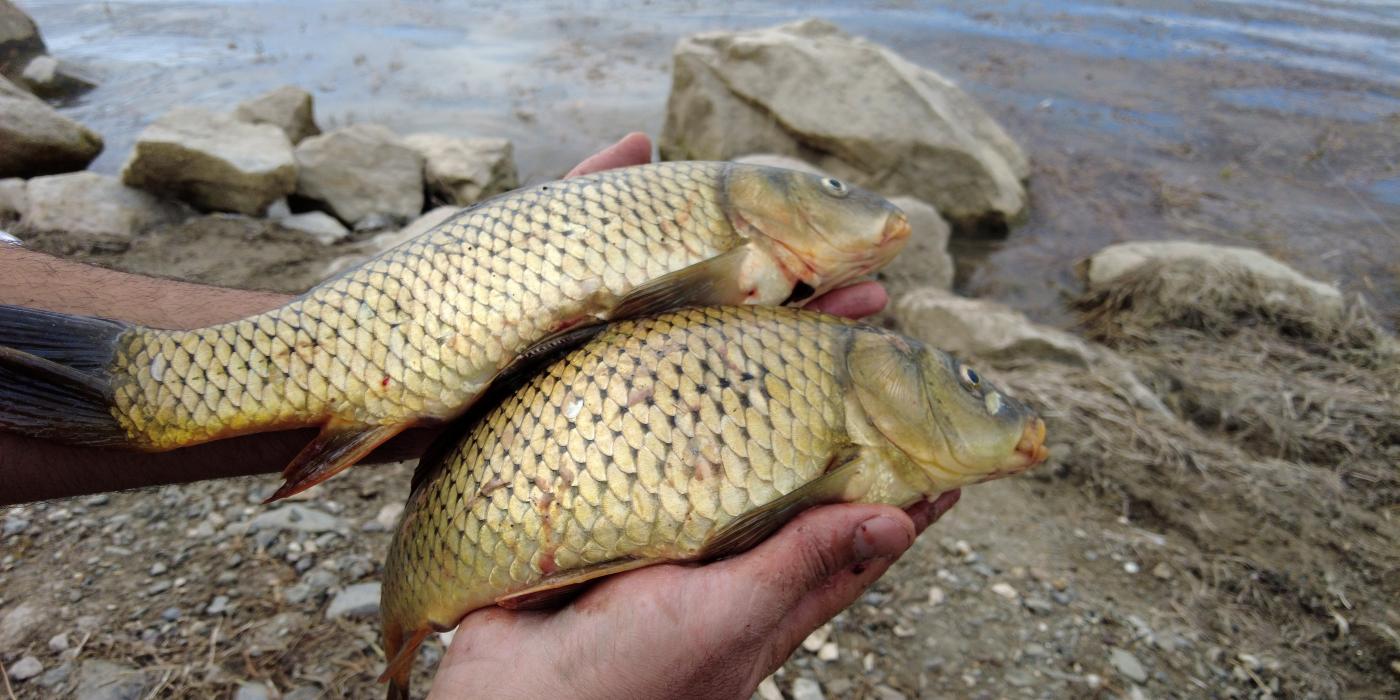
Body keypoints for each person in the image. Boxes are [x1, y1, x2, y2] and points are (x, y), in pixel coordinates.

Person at [0, 132, 958, 699]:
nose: (864, 210)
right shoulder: (715, 217)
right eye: (833, 189)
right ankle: (154, 386)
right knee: (186, 382)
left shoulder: (737, 261)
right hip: (457, 314)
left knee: (232, 372)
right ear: (761, 198)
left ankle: (178, 383)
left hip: (442, 328)